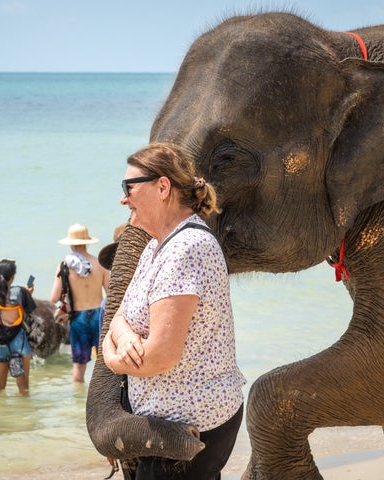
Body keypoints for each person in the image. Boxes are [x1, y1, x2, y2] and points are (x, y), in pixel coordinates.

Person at [102, 143, 246, 479]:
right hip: (168, 429)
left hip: (183, 435)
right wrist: (121, 336)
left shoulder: (186, 249)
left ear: (162, 187)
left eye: (129, 187)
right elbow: (119, 315)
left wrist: (111, 357)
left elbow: (158, 358)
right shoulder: (156, 245)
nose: (123, 198)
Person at [50, 223, 110, 383]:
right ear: (87, 242)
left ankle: (78, 403)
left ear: (70, 243)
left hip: (79, 319)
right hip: (99, 317)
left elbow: (54, 298)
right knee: (104, 364)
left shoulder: (64, 267)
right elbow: (111, 293)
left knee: (79, 367)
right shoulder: (99, 264)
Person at [0, 258, 36, 395]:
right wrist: (29, 293)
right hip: (19, 343)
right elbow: (30, 312)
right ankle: (24, 415)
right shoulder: (21, 292)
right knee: (24, 388)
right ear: (13, 277)